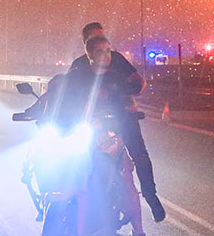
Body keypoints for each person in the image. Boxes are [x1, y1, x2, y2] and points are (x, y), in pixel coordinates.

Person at [69, 23, 165, 222]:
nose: (103, 50)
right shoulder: (79, 67)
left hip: (122, 117)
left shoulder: (118, 60)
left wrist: (131, 92)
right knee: (75, 154)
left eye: (104, 42)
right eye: (95, 41)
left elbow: (139, 82)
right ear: (86, 45)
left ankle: (150, 196)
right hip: (92, 123)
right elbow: (65, 92)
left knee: (139, 153)